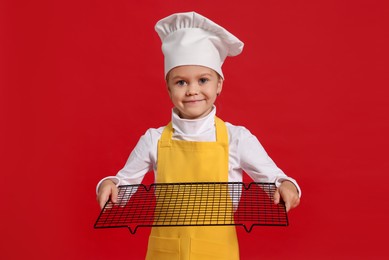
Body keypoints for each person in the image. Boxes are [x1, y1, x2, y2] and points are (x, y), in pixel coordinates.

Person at [96, 11, 301, 259]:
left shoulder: (237, 138)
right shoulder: (153, 139)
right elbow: (123, 185)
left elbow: (276, 179)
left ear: (219, 84)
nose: (193, 90)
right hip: (165, 252)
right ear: (168, 87)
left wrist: (287, 186)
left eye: (203, 80)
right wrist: (109, 185)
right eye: (181, 82)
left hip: (217, 252)